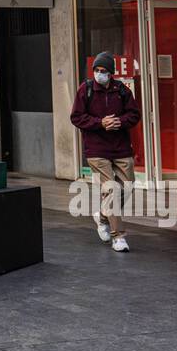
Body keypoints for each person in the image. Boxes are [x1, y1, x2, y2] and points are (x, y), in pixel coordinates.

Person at [69, 51, 141, 253]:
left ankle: (101, 216)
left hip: (121, 147)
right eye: (96, 70)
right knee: (111, 189)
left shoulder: (122, 91)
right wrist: (100, 123)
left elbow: (134, 115)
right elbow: (76, 117)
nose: (99, 74)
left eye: (103, 71)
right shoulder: (86, 89)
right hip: (96, 148)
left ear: (111, 73)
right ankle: (118, 237)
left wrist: (120, 122)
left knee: (127, 186)